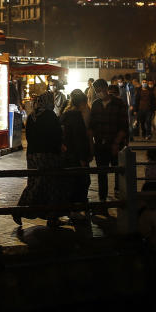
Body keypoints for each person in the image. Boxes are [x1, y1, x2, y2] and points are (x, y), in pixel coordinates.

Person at [15, 91, 65, 227]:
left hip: (32, 155)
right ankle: (51, 216)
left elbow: (29, 137)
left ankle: (20, 210)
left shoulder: (31, 116)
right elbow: (56, 135)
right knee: (52, 185)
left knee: (34, 183)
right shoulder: (50, 115)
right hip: (48, 155)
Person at [89, 79, 128, 204]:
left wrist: (116, 143)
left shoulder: (119, 103)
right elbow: (92, 125)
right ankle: (102, 197)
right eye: (97, 91)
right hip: (100, 144)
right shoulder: (95, 104)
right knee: (102, 172)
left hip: (116, 144)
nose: (99, 93)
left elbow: (124, 126)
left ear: (106, 89)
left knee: (118, 170)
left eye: (100, 90)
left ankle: (119, 192)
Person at [60, 90, 93, 222]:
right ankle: (81, 207)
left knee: (70, 182)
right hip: (76, 155)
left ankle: (71, 208)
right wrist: (83, 158)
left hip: (66, 154)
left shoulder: (64, 114)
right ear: (82, 103)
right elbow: (80, 139)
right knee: (83, 182)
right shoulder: (76, 116)